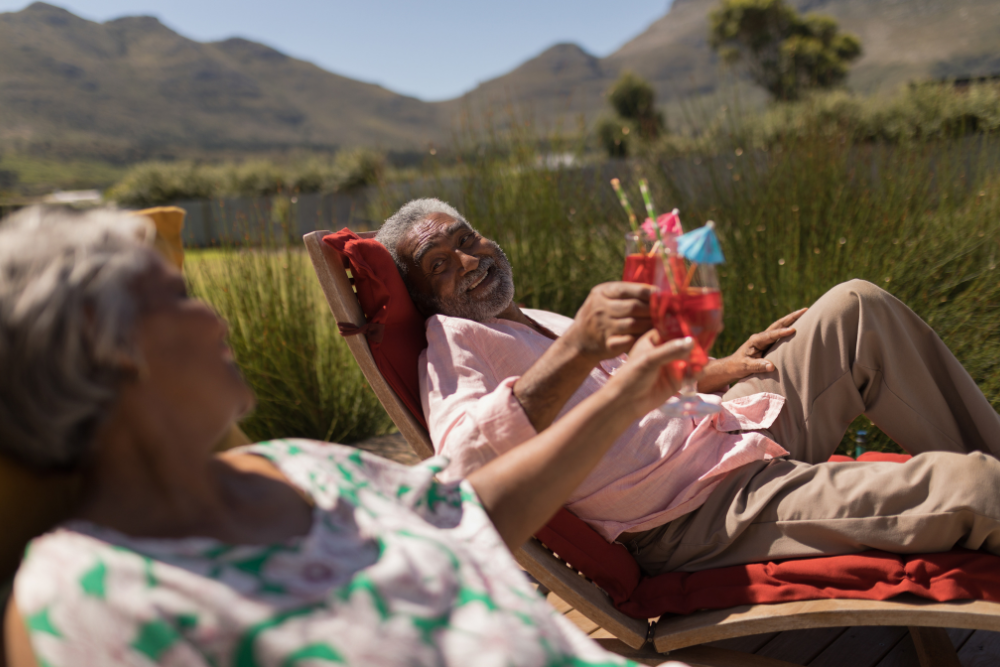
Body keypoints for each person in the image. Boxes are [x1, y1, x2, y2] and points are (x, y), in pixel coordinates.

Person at [0, 206, 694, 667]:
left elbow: (463, 510)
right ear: (99, 352)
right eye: (175, 300)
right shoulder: (97, 592)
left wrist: (629, 394)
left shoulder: (291, 463)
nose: (215, 320)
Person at [376, 197, 1000, 576]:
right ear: (426, 297)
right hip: (698, 511)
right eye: (439, 265)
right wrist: (578, 348)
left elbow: (625, 382)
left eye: (467, 240)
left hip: (729, 429)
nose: (469, 261)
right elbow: (462, 466)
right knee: (979, 491)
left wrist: (714, 367)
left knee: (854, 307)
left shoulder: (536, 318)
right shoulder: (452, 346)